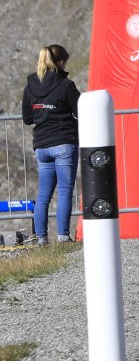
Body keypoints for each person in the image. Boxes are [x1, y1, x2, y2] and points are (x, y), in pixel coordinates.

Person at [20, 44, 80, 245]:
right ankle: (63, 237)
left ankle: (41, 239)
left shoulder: (30, 86)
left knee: (44, 194)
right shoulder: (66, 85)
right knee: (64, 191)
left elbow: (27, 118)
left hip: (42, 146)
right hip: (63, 143)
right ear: (60, 62)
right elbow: (80, 110)